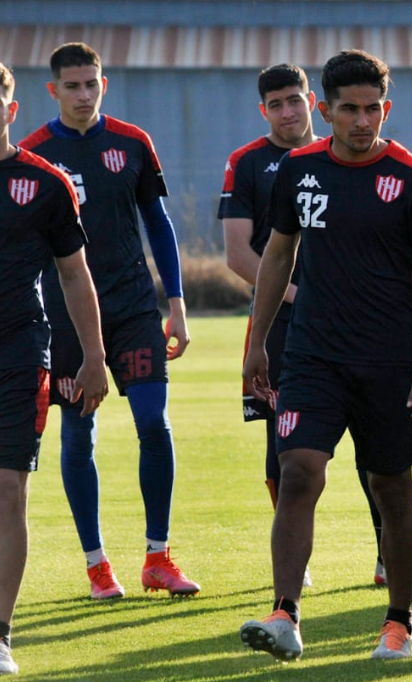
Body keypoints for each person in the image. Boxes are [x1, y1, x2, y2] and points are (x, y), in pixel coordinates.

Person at [237, 49, 412, 662]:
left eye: (374, 108)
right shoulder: (299, 170)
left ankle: (399, 621)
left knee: (391, 487)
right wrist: (257, 341)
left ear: (386, 107)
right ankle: (285, 614)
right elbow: (278, 256)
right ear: (324, 110)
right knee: (299, 469)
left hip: (389, 360)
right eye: (350, 110)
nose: (364, 121)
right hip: (312, 355)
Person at [21, 42, 198, 600]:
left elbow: (159, 224)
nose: (82, 95)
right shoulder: (35, 154)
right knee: (78, 434)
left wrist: (176, 301)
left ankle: (157, 556)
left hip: (133, 307)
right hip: (68, 318)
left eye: (91, 84)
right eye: (71, 86)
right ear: (53, 91)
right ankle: (98, 567)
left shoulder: (132, 143)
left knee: (154, 422)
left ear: (104, 84)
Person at [0, 61, 110, 675]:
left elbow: (74, 274)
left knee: (8, 490)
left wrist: (94, 357)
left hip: (18, 352)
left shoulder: (44, 183)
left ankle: (1, 634)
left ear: (11, 110)